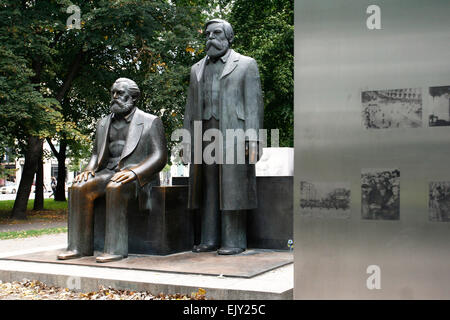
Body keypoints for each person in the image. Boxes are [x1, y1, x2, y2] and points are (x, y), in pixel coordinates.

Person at [57, 78, 167, 263]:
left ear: (133, 97)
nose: (115, 97)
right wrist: (88, 169)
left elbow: (159, 157)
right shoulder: (102, 123)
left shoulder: (150, 121)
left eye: (120, 93)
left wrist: (134, 173)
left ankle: (115, 249)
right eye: (113, 93)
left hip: (138, 176)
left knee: (115, 187)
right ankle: (78, 247)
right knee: (78, 186)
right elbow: (95, 154)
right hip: (108, 171)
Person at [183, 19, 264, 255]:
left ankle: (234, 240)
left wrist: (254, 139)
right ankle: (209, 238)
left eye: (217, 33)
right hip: (204, 133)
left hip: (235, 134)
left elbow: (253, 105)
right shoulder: (196, 69)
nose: (211, 38)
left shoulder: (246, 65)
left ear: (229, 38)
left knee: (233, 186)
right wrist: (187, 140)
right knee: (207, 187)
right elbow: (189, 107)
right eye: (207, 34)